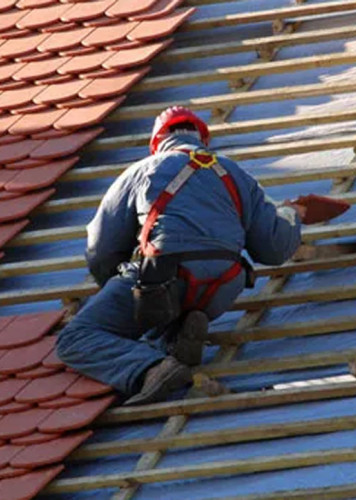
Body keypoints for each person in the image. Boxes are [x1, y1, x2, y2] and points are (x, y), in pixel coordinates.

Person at [56, 106, 307, 406]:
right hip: (224, 285)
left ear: (157, 143)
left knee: (77, 338)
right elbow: (274, 249)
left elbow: (100, 249)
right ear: (203, 139)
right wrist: (293, 213)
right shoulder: (237, 175)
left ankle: (152, 368)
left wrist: (119, 291)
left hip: (165, 277)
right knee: (163, 309)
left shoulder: (143, 170)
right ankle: (177, 338)